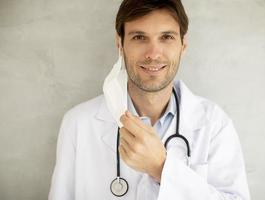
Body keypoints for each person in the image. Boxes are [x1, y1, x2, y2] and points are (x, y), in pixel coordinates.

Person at [48, 0, 251, 199]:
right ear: (120, 44)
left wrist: (161, 168)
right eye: (139, 37)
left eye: (166, 37)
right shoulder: (78, 123)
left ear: (183, 45)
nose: (153, 54)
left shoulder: (214, 124)